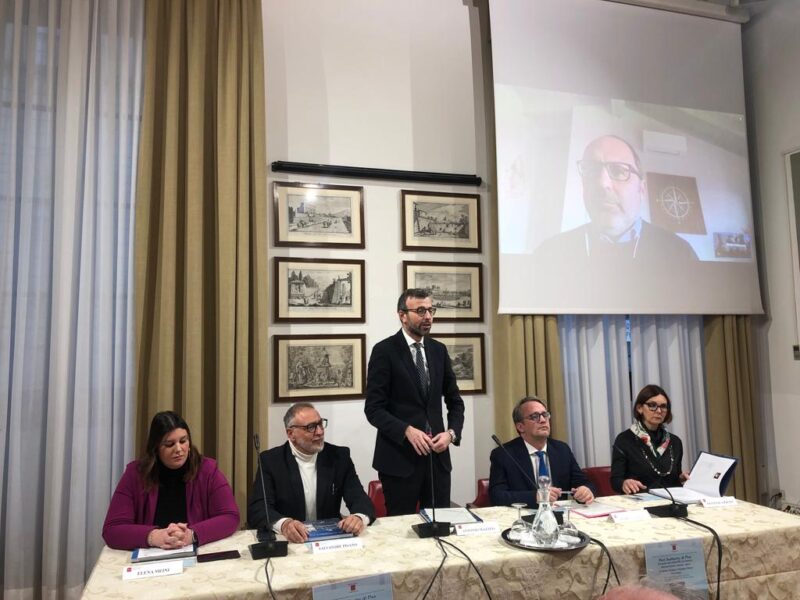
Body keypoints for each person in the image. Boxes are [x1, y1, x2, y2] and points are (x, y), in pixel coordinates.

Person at [364, 288, 465, 516]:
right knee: (402, 529)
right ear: (402, 315)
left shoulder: (438, 350)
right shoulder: (384, 351)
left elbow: (455, 402)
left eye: (431, 310)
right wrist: (406, 430)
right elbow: (373, 409)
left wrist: (451, 434)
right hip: (399, 461)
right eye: (420, 311)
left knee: (440, 526)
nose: (428, 317)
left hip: (437, 461)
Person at [534, 134, 698, 266]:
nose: (602, 184)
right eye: (592, 170)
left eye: (619, 171)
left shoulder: (680, 253)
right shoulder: (549, 253)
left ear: (641, 190)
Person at [102, 411, 239, 550]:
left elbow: (230, 516)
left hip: (193, 555)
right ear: (156, 448)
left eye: (183, 441)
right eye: (169, 444)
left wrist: (192, 534)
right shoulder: (135, 474)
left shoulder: (208, 470)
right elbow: (112, 530)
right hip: (152, 556)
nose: (178, 449)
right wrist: (153, 536)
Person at [247, 403, 375, 543]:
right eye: (311, 427)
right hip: (291, 541)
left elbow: (360, 499)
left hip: (329, 540)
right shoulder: (271, 461)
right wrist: (284, 524)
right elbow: (258, 509)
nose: (319, 432)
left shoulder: (338, 456)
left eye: (320, 424)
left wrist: (358, 517)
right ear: (291, 433)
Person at [489, 396, 595, 507]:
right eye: (535, 416)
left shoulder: (562, 449)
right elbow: (497, 496)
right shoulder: (503, 454)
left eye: (545, 415)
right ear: (520, 427)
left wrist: (586, 490)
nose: (543, 420)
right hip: (524, 514)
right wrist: (535, 497)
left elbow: (584, 482)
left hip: (559, 513)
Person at [611, 384, 689, 494]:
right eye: (652, 405)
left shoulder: (675, 442)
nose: (659, 411)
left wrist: (680, 478)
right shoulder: (624, 440)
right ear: (639, 408)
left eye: (663, 406)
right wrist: (624, 483)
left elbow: (673, 477)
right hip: (640, 500)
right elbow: (615, 480)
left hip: (670, 500)